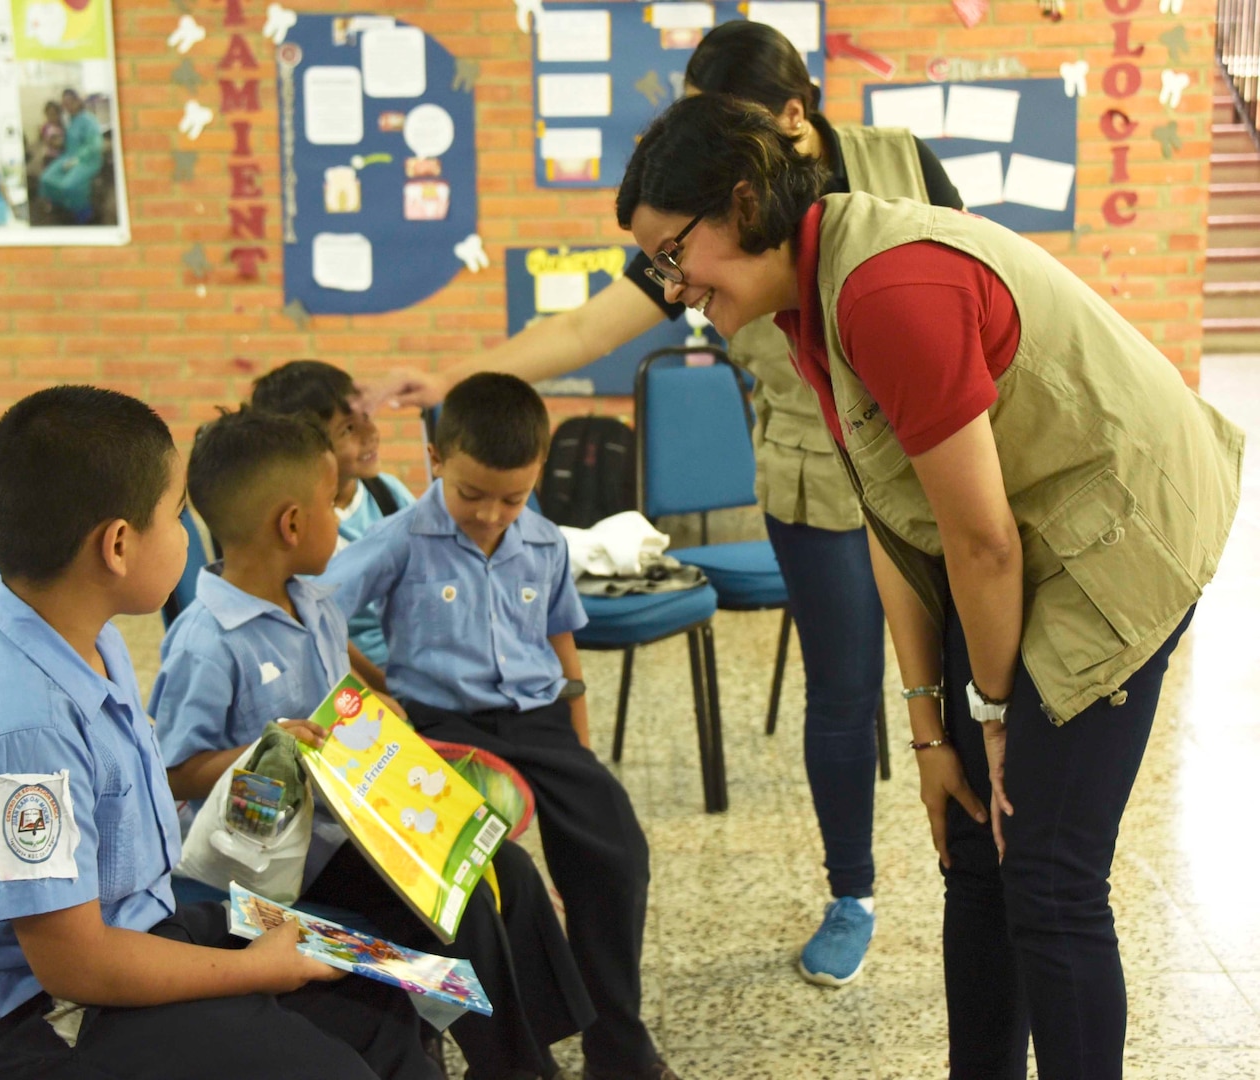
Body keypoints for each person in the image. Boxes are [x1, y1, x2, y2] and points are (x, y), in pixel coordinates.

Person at [619, 92, 1244, 1080]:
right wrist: (929, 732)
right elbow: (897, 521)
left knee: (1043, 872)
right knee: (970, 839)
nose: (668, 286)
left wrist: (991, 715)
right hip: (1021, 525)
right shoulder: (805, 311)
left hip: (1124, 524)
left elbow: (982, 543)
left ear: (741, 205)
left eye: (668, 254)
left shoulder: (881, 289)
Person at [368, 19, 963, 988]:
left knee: (968, 677)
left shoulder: (892, 170)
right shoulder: (700, 223)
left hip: (923, 458)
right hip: (810, 474)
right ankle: (850, 891)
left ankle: (982, 881)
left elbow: (966, 283)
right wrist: (445, 378)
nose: (688, 280)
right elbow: (582, 326)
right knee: (846, 690)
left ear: (790, 114)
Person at [0, 385, 442, 1080]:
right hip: (35, 1019)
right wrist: (251, 972)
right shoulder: (25, 739)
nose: (186, 534)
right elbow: (75, 966)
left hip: (137, 926)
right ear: (117, 546)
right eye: (176, 517)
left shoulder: (87, 634)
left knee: (379, 994)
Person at [150, 408, 595, 1080]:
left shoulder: (315, 601)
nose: (343, 519)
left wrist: (374, 706)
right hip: (275, 861)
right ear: (292, 524)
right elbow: (175, 772)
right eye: (335, 505)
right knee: (458, 899)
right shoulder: (207, 639)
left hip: (352, 821)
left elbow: (338, 696)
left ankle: (533, 1040)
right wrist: (270, 750)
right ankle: (508, 1064)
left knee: (505, 864)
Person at [321, 374, 675, 1080]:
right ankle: (513, 1049)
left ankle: (618, 1048)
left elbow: (561, 645)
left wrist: (578, 743)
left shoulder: (542, 543)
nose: (489, 515)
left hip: (539, 723)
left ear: (537, 475)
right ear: (437, 459)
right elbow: (317, 609)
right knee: (486, 878)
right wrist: (370, 690)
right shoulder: (400, 539)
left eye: (511, 498)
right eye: (472, 495)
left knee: (615, 851)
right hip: (445, 727)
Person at [249, 360, 417, 667]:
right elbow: (314, 635)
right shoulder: (293, 531)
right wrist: (385, 691)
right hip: (346, 673)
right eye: (349, 429)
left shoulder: (387, 493)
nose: (371, 434)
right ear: (306, 449)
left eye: (366, 417)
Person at [40, 88, 103, 224]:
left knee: (68, 185)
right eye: (64, 104)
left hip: (88, 160)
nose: (67, 106)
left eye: (69, 102)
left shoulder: (89, 120)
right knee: (46, 178)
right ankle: (63, 207)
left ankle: (85, 215)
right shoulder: (70, 120)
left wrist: (77, 160)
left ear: (77, 101)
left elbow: (95, 146)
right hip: (68, 156)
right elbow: (68, 141)